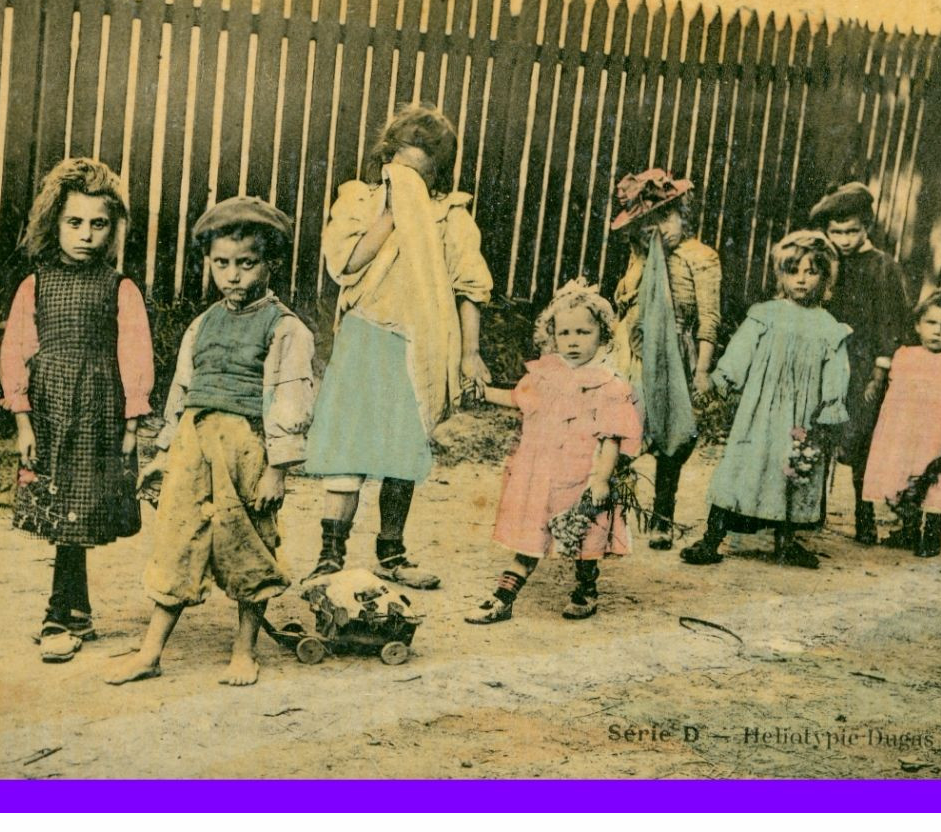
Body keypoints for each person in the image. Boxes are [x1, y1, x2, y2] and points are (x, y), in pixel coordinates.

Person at [108, 197, 315, 687]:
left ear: (272, 263)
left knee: (248, 545)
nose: (233, 276)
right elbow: (182, 390)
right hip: (193, 445)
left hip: (245, 448)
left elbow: (290, 400)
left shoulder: (286, 329)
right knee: (178, 540)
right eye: (221, 263)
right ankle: (150, 651)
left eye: (247, 264)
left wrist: (277, 470)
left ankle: (244, 651)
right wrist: (162, 453)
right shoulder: (202, 324)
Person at [303, 105, 494, 589]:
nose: (412, 176)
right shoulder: (360, 202)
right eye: (403, 165)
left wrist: (470, 353)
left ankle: (392, 551)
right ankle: (330, 553)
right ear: (386, 159)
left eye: (424, 167)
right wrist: (391, 213)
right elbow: (344, 263)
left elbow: (469, 286)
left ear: (438, 171)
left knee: (402, 449)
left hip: (419, 344)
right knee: (348, 449)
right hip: (367, 337)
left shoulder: (448, 217)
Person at [0, 158, 153, 663]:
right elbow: (16, 351)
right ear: (55, 223)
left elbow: (134, 354)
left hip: (97, 410)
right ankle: (73, 607)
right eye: (74, 223)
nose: (86, 235)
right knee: (59, 505)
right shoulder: (34, 285)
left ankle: (60, 612)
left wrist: (132, 424)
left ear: (112, 229)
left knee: (81, 509)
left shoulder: (119, 288)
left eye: (98, 224)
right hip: (48, 409)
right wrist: (22, 419)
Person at [465, 282, 642, 624]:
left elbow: (612, 437)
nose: (573, 341)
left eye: (583, 332)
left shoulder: (609, 385)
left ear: (602, 335)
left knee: (582, 533)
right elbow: (519, 400)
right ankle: (503, 598)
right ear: (552, 336)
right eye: (565, 333)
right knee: (532, 534)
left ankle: (585, 589)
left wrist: (602, 479)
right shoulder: (545, 375)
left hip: (581, 474)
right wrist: (485, 393)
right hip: (542, 472)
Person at [680, 231, 851, 570]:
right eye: (793, 270)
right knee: (743, 466)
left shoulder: (829, 327)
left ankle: (787, 542)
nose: (801, 279)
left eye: (811, 271)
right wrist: (720, 380)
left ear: (825, 277)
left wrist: (831, 406)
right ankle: (712, 538)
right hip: (760, 414)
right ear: (781, 274)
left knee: (794, 471)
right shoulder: (765, 314)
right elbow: (741, 351)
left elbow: (836, 371)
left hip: (802, 417)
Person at [609, 169, 720, 550]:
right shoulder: (641, 257)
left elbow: (709, 318)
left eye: (665, 217)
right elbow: (625, 301)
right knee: (623, 426)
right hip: (633, 352)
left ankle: (662, 516)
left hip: (675, 351)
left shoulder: (700, 257)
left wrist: (702, 368)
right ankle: (608, 507)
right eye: (647, 223)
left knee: (673, 435)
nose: (658, 229)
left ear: (683, 214)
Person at [810, 182, 909, 545]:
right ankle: (812, 511)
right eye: (836, 232)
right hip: (829, 359)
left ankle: (863, 516)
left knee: (861, 439)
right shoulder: (827, 263)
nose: (844, 239)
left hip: (865, 363)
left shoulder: (883, 267)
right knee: (820, 432)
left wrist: (880, 371)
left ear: (867, 226)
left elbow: (891, 321)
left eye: (852, 231)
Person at [861, 289, 941, 558]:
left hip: (934, 437)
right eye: (931, 323)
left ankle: (932, 535)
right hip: (903, 434)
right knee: (904, 480)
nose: (937, 331)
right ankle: (908, 530)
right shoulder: (904, 356)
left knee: (936, 483)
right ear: (918, 325)